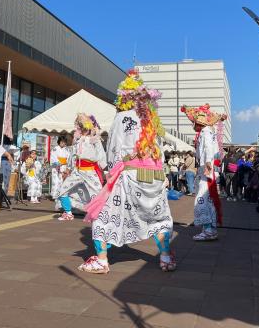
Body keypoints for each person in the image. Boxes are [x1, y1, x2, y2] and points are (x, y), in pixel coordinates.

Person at [81, 69, 175, 274]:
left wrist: (110, 174)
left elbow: (114, 148)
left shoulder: (122, 117)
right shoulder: (151, 119)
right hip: (154, 177)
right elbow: (158, 150)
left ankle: (101, 259)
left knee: (102, 215)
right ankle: (166, 258)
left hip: (129, 175)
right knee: (158, 219)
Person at [181, 103, 225, 241]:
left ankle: (208, 230)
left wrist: (207, 164)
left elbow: (208, 148)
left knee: (201, 199)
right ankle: (210, 228)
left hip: (206, 168)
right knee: (208, 199)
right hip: (208, 168)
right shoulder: (208, 131)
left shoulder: (205, 132)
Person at [54, 113, 106, 220]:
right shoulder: (77, 140)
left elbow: (101, 154)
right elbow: (73, 156)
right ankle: (68, 213)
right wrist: (68, 169)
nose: (81, 129)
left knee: (98, 194)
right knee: (62, 190)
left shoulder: (94, 139)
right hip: (77, 171)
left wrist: (106, 170)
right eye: (79, 127)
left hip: (89, 171)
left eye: (83, 127)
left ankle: (101, 216)